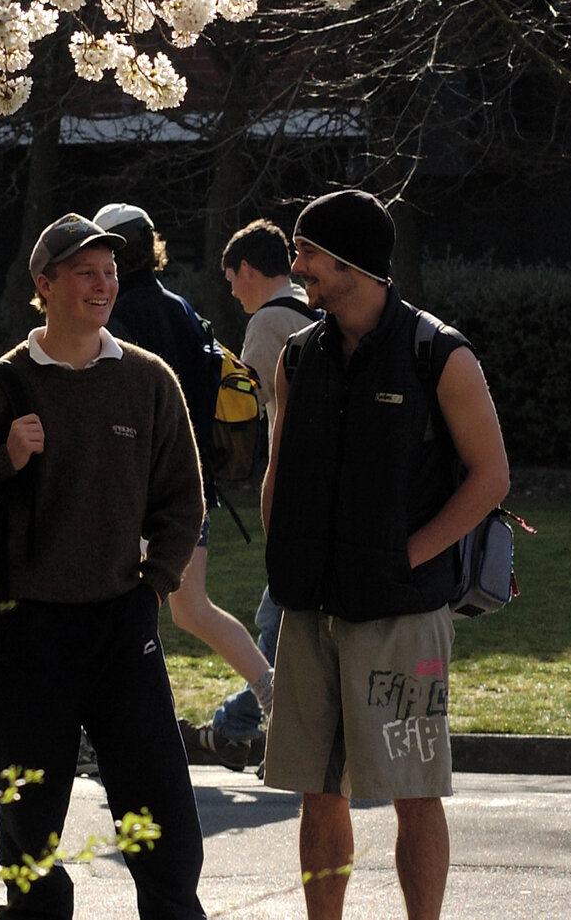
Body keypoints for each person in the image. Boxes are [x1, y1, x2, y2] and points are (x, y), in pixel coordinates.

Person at [0, 213, 208, 920]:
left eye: (110, 271)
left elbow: (181, 496)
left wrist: (157, 582)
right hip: (21, 630)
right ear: (43, 285)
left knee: (162, 810)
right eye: (86, 272)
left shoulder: (148, 379)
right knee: (30, 826)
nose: (103, 284)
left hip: (120, 622)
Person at [260, 189, 512, 920]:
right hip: (309, 608)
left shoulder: (439, 353)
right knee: (318, 787)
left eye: (308, 252)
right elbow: (278, 468)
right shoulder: (297, 356)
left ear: (353, 264)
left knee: (415, 787)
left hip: (403, 611)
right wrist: (283, 559)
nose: (297, 265)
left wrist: (409, 555)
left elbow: (491, 475)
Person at [89, 202, 276, 767]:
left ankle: (106, 738)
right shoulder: (184, 312)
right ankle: (276, 697)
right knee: (191, 609)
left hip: (132, 492)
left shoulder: (112, 317)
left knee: (112, 611)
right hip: (189, 489)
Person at [199, 219, 318, 755]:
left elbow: (242, 405)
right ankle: (245, 719)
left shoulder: (271, 321)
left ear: (248, 269)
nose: (231, 291)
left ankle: (239, 720)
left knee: (277, 617)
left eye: (231, 279)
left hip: (297, 486)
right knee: (284, 613)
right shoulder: (315, 308)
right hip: (326, 484)